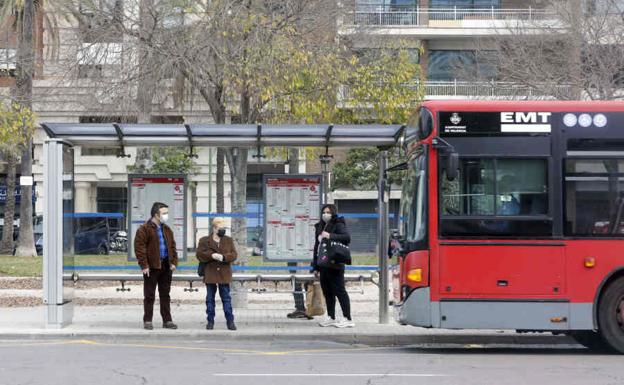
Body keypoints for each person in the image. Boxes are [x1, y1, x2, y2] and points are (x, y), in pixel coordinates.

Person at [134, 202, 178, 330]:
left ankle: (167, 320)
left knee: (165, 294)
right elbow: (139, 249)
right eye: (164, 213)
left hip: (166, 266)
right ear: (156, 215)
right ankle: (148, 320)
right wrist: (144, 265)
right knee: (149, 295)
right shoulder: (144, 229)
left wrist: (174, 262)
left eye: (166, 213)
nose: (166, 215)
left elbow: (173, 247)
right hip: (151, 267)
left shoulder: (167, 229)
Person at [311, 204, 355, 328]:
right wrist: (315, 267)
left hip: (335, 263)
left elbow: (347, 238)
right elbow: (317, 247)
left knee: (340, 291)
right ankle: (331, 317)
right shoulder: (320, 226)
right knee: (327, 292)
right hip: (323, 264)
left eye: (328, 212)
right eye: (324, 212)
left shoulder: (338, 223)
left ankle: (348, 318)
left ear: (333, 213)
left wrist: (330, 236)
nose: (326, 214)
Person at [196, 217, 238, 331]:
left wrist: (224, 257)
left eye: (224, 228)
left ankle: (230, 321)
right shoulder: (204, 240)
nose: (222, 230)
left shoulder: (228, 240)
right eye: (220, 228)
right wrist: (212, 255)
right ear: (214, 228)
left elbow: (234, 255)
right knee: (210, 299)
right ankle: (210, 321)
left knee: (226, 299)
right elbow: (199, 254)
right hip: (210, 274)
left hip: (224, 274)